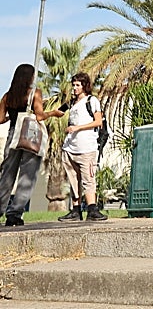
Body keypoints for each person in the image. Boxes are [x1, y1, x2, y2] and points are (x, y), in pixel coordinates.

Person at [0, 64, 57, 226]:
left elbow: (0, 119)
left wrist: (14, 117)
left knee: (7, 174)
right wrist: (53, 113)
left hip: (13, 135)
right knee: (28, 175)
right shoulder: (33, 93)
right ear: (30, 77)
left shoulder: (8, 96)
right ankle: (15, 213)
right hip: (28, 134)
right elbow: (39, 116)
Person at [56, 73, 107, 221]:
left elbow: (98, 122)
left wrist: (78, 128)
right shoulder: (72, 103)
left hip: (87, 147)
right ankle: (75, 210)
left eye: (78, 85)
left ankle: (92, 209)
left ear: (85, 86)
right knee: (73, 179)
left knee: (88, 179)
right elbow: (58, 112)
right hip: (70, 147)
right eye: (74, 85)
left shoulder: (92, 101)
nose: (75, 88)